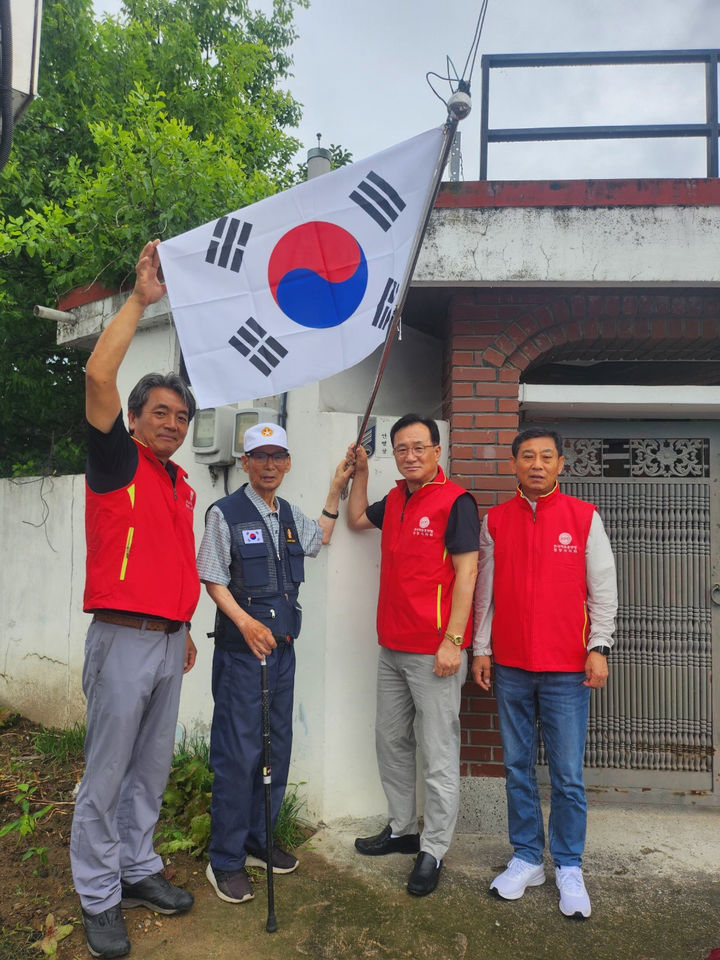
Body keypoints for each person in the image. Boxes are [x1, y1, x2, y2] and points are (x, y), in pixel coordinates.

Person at [70, 240, 201, 959]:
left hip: (167, 640)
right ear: (135, 417)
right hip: (121, 639)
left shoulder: (179, 484)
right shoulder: (117, 460)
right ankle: (98, 894)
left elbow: (170, 562)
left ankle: (136, 866)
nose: (173, 424)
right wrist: (141, 299)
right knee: (107, 774)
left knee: (150, 769)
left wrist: (184, 628)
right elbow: (98, 372)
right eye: (161, 413)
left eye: (181, 417)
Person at [197, 422, 352, 905]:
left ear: (287, 463)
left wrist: (336, 488)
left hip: (282, 650)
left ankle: (258, 841)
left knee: (275, 747)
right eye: (259, 456)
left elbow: (319, 537)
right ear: (245, 462)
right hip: (243, 653)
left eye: (277, 456)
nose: (269, 465)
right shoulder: (225, 513)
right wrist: (245, 623)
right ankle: (225, 860)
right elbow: (213, 577)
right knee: (237, 752)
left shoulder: (287, 513)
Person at [472, 428, 617, 919]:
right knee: (517, 768)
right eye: (528, 456)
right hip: (511, 666)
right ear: (513, 463)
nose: (537, 464)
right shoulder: (495, 521)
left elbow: (602, 589)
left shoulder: (583, 517)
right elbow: (485, 594)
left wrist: (599, 646)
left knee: (567, 774)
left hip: (568, 669)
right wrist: (481, 649)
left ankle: (569, 865)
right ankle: (528, 857)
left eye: (546, 457)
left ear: (560, 465)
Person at [345, 414, 479, 897]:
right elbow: (357, 519)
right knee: (391, 740)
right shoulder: (397, 498)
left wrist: (453, 641)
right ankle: (403, 829)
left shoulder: (456, 502)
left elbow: (467, 574)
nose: (410, 455)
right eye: (402, 448)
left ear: (437, 451)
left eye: (419, 447)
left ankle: (434, 848)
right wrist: (361, 473)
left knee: (438, 752)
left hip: (434, 651)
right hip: (392, 646)